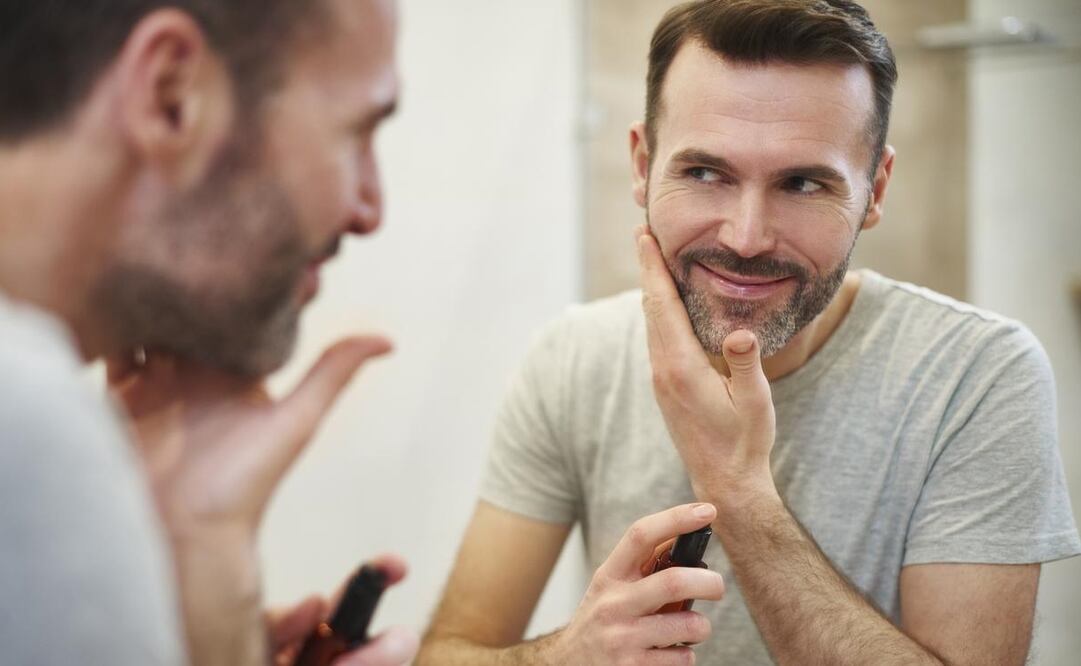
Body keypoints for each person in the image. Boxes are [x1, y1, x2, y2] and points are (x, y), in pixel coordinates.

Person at [416, 1, 1081, 664]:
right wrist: (568, 654)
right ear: (642, 164)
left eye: (801, 183)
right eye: (704, 173)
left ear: (874, 189)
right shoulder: (573, 357)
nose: (745, 237)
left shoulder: (977, 375)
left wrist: (733, 485)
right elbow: (444, 654)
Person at [0, 1, 417, 664]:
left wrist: (196, 554)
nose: (370, 208)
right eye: (356, 133)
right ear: (171, 95)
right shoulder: (29, 432)